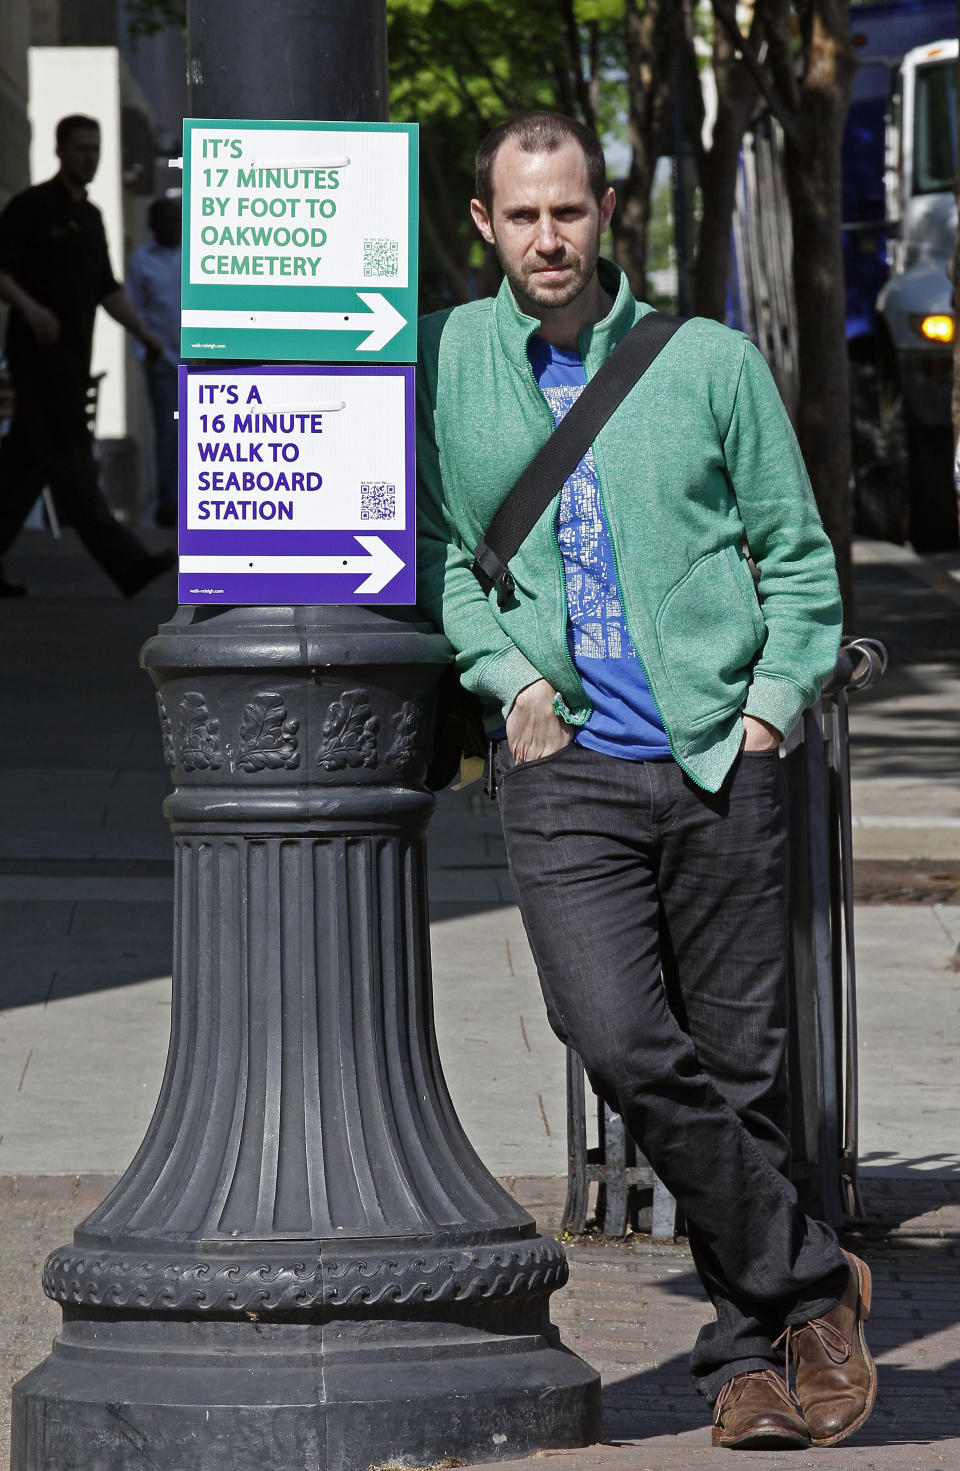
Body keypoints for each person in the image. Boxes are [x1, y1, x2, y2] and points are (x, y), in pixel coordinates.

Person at [416, 113, 876, 1452]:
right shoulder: (452, 361)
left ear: (603, 210)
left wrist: (772, 713)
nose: (547, 238)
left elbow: (797, 560)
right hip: (567, 764)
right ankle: (810, 1274)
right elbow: (449, 554)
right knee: (615, 1033)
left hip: (719, 759)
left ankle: (743, 1363)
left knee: (743, 1070)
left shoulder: (708, 363)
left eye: (567, 212)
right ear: (484, 225)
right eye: (522, 216)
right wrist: (513, 684)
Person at [0, 114, 175, 597]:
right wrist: (32, 311)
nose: (90, 158)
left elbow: (108, 290)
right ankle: (130, 564)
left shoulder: (93, 218)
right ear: (60, 152)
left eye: (96, 149)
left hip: (74, 361)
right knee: (73, 463)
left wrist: (147, 334)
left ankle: (129, 564)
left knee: (22, 469)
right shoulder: (32, 209)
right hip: (37, 361)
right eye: (81, 149)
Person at [127, 195, 181, 527]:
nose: (172, 229)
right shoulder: (141, 261)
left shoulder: (198, 254)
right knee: (169, 431)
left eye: (177, 223)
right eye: (166, 224)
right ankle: (170, 502)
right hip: (163, 361)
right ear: (153, 227)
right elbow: (134, 309)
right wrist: (144, 352)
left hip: (202, 359)